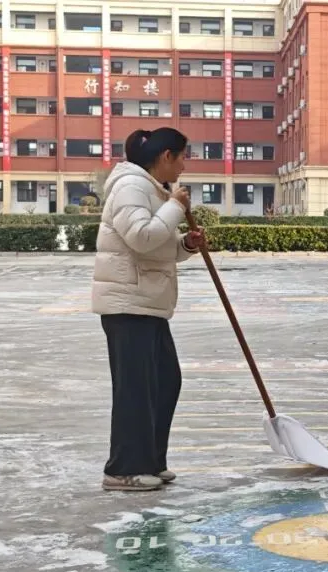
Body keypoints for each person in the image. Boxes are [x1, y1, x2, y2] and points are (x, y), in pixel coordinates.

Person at [91, 128, 205, 492]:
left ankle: (151, 460)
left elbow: (157, 245)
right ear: (166, 156)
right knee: (135, 389)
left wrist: (185, 243)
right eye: (184, 157)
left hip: (148, 303)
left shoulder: (151, 190)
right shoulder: (130, 187)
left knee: (164, 382)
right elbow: (141, 237)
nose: (185, 166)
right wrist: (175, 207)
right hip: (128, 304)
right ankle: (123, 468)